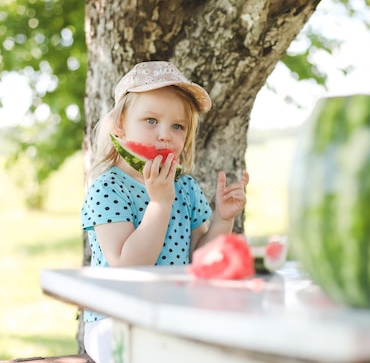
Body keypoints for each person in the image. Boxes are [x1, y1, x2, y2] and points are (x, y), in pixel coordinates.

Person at [80, 61, 250, 363]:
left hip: (174, 316)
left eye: (177, 126)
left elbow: (200, 257)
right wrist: (159, 204)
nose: (164, 135)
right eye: (150, 120)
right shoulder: (107, 187)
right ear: (120, 125)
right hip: (115, 320)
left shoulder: (184, 186)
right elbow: (126, 266)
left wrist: (223, 218)